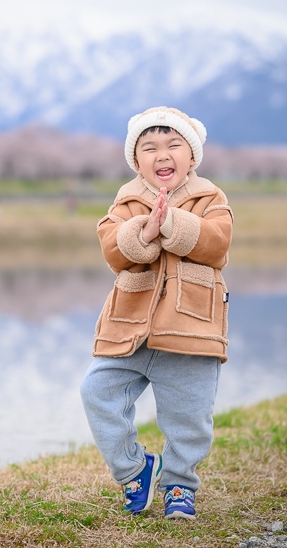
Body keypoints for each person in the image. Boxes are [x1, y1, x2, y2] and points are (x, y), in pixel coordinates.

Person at [79, 105, 233, 520]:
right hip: (129, 329)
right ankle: (134, 470)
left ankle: (180, 486)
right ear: (136, 160)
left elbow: (218, 244)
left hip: (190, 328)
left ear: (192, 155)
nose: (161, 154)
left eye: (173, 144)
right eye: (149, 147)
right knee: (97, 393)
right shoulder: (127, 200)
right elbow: (113, 249)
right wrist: (143, 230)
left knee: (189, 418)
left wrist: (173, 224)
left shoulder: (209, 198)